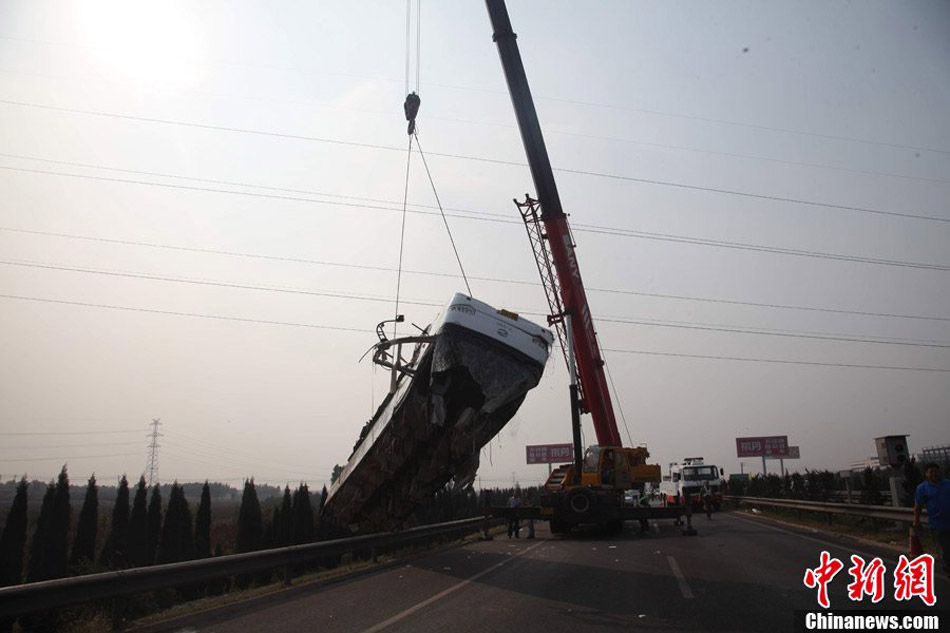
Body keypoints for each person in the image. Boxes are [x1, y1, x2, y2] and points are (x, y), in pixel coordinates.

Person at [913, 462, 950, 577]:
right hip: (936, 524)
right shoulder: (922, 488)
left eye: (936, 471)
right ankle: (947, 567)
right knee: (943, 549)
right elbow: (918, 506)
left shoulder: (948, 484)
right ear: (926, 474)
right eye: (931, 472)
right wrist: (916, 521)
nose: (934, 474)